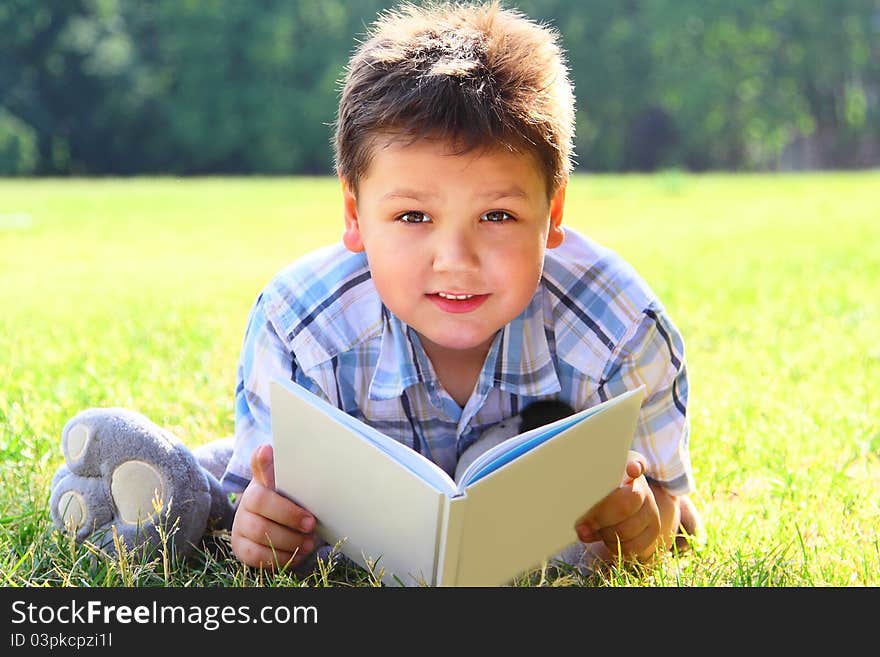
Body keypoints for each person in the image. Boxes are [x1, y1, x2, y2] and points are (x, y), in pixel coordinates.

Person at [222, 0, 702, 573]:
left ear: (553, 212)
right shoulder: (299, 328)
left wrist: (647, 523)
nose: (454, 261)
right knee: (203, 489)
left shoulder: (619, 329)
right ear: (355, 213)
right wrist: (259, 529)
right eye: (413, 217)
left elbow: (660, 508)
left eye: (497, 216)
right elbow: (256, 503)